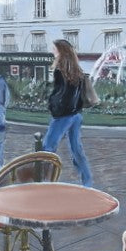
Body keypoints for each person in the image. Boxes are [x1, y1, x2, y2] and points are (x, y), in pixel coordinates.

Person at [42, 39, 93, 187]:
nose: (52, 50)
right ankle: (87, 180)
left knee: (48, 148)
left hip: (63, 115)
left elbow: (60, 94)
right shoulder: (76, 69)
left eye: (54, 48)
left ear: (61, 51)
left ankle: (46, 181)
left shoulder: (60, 69)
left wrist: (52, 105)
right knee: (76, 149)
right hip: (75, 115)